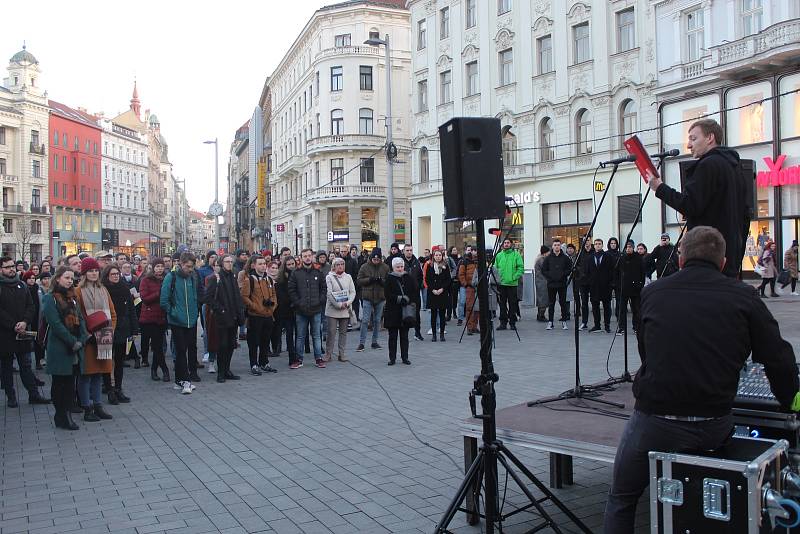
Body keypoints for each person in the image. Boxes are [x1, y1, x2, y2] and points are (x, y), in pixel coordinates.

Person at [604, 226, 800, 533]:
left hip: (654, 422)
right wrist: (790, 400)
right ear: (723, 263)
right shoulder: (744, 296)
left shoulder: (652, 293)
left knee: (621, 497)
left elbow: (648, 351)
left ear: (680, 259)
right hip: (713, 424)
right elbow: (779, 358)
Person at [648, 119, 749, 279]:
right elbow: (745, 216)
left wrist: (659, 187)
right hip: (728, 257)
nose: (688, 145)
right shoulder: (734, 168)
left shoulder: (707, 165)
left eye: (693, 139)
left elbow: (690, 205)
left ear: (710, 138)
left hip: (707, 255)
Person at [42, 266, 90, 430]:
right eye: (66, 278)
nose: (70, 281)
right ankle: (60, 414)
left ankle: (66, 413)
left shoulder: (72, 297)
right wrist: (72, 341)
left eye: (71, 278)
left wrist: (83, 337)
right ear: (58, 279)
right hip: (60, 346)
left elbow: (80, 318)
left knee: (70, 382)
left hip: (75, 346)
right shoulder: (50, 298)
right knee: (59, 382)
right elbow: (55, 324)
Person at [0, 258, 50, 407]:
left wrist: (25, 322)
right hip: (5, 334)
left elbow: (31, 306)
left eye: (12, 266)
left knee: (26, 365)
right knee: (7, 367)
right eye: (7, 267)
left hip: (23, 332)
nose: (11, 269)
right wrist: (13, 324)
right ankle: (11, 396)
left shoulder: (22, 284)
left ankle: (33, 394)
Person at [75, 257, 116, 419]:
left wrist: (109, 330)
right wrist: (87, 334)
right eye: (90, 271)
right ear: (84, 273)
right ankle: (87, 407)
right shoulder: (78, 291)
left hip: (104, 337)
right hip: (88, 339)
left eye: (95, 270)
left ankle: (98, 405)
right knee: (86, 374)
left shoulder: (103, 289)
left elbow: (112, 313)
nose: (93, 273)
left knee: (99, 374)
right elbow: (78, 316)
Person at [160, 252, 201, 395]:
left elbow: (195, 297)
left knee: (188, 349)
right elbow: (164, 300)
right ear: (181, 264)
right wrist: (174, 313)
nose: (190, 269)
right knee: (181, 351)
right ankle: (185, 380)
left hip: (191, 320)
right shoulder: (170, 277)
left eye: (192, 266)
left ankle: (179, 380)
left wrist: (195, 313)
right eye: (188, 266)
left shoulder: (192, 278)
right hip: (178, 321)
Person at [101, 264, 139, 404]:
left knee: (120, 361)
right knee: (107, 361)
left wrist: (135, 329)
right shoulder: (103, 290)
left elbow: (132, 310)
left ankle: (118, 388)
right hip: (107, 329)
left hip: (123, 328)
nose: (116, 276)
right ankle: (109, 389)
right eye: (113, 274)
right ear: (107, 276)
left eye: (117, 274)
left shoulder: (124, 288)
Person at [206, 254, 245, 382]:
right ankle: (221, 372)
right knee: (222, 345)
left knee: (230, 345)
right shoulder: (215, 278)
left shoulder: (233, 276)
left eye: (231, 262)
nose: (229, 264)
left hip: (233, 316)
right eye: (227, 261)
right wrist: (220, 309)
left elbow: (237, 296)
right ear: (222, 263)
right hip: (222, 317)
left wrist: (240, 313)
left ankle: (227, 370)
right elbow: (209, 298)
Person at [288, 248, 327, 369]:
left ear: (312, 257)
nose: (307, 258)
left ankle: (318, 358)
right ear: (301, 258)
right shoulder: (296, 272)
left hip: (316, 309)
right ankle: (298, 359)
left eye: (309, 255)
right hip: (301, 310)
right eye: (305, 256)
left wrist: (320, 301)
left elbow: (324, 289)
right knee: (300, 335)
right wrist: (298, 303)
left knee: (316, 335)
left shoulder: (318, 272)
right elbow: (291, 290)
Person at [240, 255, 278, 375]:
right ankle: (254, 364)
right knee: (253, 342)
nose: (262, 266)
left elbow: (273, 296)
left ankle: (264, 362)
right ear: (254, 265)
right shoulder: (249, 280)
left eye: (264, 264)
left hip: (268, 315)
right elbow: (244, 297)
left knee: (265, 341)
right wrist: (256, 307)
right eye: (260, 264)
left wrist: (272, 307)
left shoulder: (269, 280)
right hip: (255, 316)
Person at [139, 258, 169, 382]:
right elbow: (144, 298)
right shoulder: (145, 280)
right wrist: (159, 293)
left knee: (158, 346)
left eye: (161, 266)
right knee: (157, 346)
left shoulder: (167, 279)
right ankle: (165, 370)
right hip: (149, 318)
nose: (160, 269)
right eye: (157, 266)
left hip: (162, 317)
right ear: (153, 268)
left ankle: (154, 369)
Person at [384, 257, 416, 365]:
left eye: (401, 266)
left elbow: (414, 291)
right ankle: (392, 358)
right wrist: (399, 299)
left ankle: (405, 357)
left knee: (404, 337)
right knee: (392, 337)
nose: (400, 269)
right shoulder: (389, 278)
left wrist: (407, 299)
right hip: (392, 311)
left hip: (405, 312)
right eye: (398, 267)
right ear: (393, 267)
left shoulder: (408, 277)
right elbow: (387, 294)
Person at [356, 248, 389, 352]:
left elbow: (388, 282)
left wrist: (381, 281)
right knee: (365, 320)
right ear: (371, 258)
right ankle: (361, 343)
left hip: (380, 297)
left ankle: (374, 342)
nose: (376, 261)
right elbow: (359, 280)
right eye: (374, 259)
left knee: (377, 320)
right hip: (367, 296)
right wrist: (369, 280)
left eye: (378, 259)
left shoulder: (385, 267)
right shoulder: (364, 267)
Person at [325, 257, 356, 362]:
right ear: (333, 266)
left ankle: (341, 354)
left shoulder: (348, 277)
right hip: (333, 309)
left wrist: (347, 302)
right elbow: (329, 293)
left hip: (345, 309)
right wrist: (338, 304)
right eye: (338, 264)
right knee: (331, 332)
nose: (340, 266)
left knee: (343, 332)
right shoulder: (329, 277)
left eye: (342, 264)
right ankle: (328, 353)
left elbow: (353, 292)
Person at [541, 239, 571, 330]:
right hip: (551, 284)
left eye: (558, 245)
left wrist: (563, 275)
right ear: (552, 246)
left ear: (560, 246)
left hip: (562, 284)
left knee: (563, 303)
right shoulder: (548, 258)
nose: (557, 246)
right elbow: (544, 270)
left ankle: (564, 321)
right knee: (551, 304)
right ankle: (550, 322)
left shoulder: (565, 258)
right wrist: (550, 276)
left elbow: (569, 269)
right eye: (555, 245)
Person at [616, 240, 645, 335]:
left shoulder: (638, 258)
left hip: (635, 288)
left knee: (636, 309)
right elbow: (617, 272)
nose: (628, 249)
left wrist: (640, 285)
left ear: (633, 248)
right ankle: (621, 327)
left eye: (630, 247)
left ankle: (636, 327)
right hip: (624, 288)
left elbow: (642, 273)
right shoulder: (622, 258)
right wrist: (618, 285)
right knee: (622, 309)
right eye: (627, 247)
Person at [494, 238, 524, 331]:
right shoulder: (499, 255)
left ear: (511, 244)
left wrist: (514, 277)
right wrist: (497, 278)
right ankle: (503, 323)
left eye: (508, 243)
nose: (506, 244)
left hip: (512, 284)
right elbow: (495, 268)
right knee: (502, 305)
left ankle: (512, 323)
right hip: (501, 284)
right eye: (505, 243)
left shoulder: (516, 255)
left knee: (513, 304)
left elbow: (520, 268)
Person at [586, 239, 613, 333]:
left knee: (606, 306)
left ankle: (607, 325)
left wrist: (610, 283)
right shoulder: (590, 257)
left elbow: (611, 270)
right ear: (594, 245)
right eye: (596, 244)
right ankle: (597, 325)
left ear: (602, 245)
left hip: (606, 285)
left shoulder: (608, 256)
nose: (597, 245)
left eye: (599, 244)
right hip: (594, 286)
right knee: (595, 306)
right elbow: (587, 271)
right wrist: (590, 281)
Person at [274, 257, 297, 364]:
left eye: (293, 264)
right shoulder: (281, 279)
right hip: (285, 310)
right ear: (285, 266)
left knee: (296, 333)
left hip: (297, 308)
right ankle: (290, 356)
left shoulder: (298, 275)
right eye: (289, 264)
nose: (291, 266)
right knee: (287, 332)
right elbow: (280, 295)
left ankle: (295, 354)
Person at [424, 249, 450, 342]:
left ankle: (442, 334)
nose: (438, 257)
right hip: (433, 293)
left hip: (442, 292)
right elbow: (427, 279)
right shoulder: (430, 266)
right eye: (436, 255)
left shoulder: (445, 266)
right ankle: (434, 335)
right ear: (433, 256)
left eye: (439, 255)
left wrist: (442, 289)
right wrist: (433, 289)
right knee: (433, 315)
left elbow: (448, 280)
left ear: (442, 256)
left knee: (442, 315)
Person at [401, 244, 424, 341]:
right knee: (404, 313)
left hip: (415, 292)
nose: (409, 252)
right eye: (407, 250)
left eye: (410, 250)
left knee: (417, 313)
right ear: (404, 251)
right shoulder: (401, 262)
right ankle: (403, 332)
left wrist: (418, 286)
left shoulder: (416, 262)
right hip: (404, 292)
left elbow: (420, 276)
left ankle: (417, 332)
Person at [458, 247, 479, 334]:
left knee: (477, 308)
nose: (475, 252)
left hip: (478, 287)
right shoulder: (465, 261)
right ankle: (469, 327)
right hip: (470, 287)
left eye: (476, 250)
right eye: (473, 250)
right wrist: (465, 284)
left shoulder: (479, 260)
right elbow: (461, 274)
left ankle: (475, 327)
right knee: (470, 307)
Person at [575, 239, 593, 330]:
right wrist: (580, 272)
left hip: (593, 281)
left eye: (588, 240)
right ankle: (584, 322)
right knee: (584, 303)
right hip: (583, 281)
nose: (586, 242)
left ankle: (597, 323)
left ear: (591, 241)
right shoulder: (580, 253)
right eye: (585, 240)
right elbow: (576, 265)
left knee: (594, 302)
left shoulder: (594, 252)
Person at [533, 246, 550, 323]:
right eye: (548, 252)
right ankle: (541, 315)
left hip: (541, 281)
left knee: (542, 298)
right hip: (542, 282)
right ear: (545, 252)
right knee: (543, 299)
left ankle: (540, 314)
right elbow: (546, 270)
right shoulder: (541, 260)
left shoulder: (539, 259)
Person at [344, 246, 361, 323]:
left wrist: (355, 284)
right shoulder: (338, 260)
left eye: (344, 251)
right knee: (345, 304)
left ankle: (355, 319)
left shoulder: (353, 261)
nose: (343, 253)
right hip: (342, 287)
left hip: (353, 286)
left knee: (354, 303)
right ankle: (346, 320)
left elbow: (356, 274)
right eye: (342, 251)